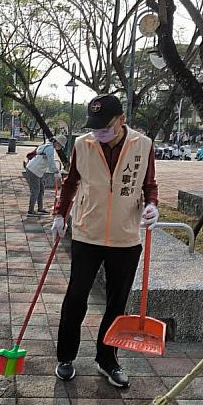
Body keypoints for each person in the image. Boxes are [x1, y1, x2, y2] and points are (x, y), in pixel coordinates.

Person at [51, 94, 159, 388]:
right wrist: (60, 214)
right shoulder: (83, 144)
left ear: (122, 120)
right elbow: (71, 181)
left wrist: (152, 205)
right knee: (76, 297)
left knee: (116, 303)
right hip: (88, 232)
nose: (99, 133)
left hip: (126, 237)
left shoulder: (143, 145)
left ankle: (107, 359)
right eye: (95, 127)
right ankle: (66, 356)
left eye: (105, 127)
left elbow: (149, 184)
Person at [24, 135, 66, 216]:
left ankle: (40, 208)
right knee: (35, 190)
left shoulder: (47, 145)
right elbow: (51, 163)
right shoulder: (50, 149)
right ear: (57, 142)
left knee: (41, 189)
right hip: (34, 170)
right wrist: (57, 171)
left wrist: (56, 171)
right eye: (60, 145)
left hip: (37, 171)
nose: (60, 147)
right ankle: (30, 210)